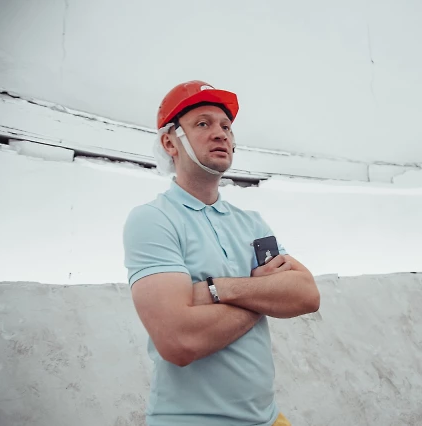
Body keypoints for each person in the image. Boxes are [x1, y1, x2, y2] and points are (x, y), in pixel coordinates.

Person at [122, 80, 321, 426]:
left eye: (226, 127)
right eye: (203, 124)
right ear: (170, 142)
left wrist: (218, 289)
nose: (220, 134)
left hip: (268, 419)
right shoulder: (153, 220)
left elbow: (306, 295)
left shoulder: (252, 223)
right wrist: (263, 297)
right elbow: (180, 341)